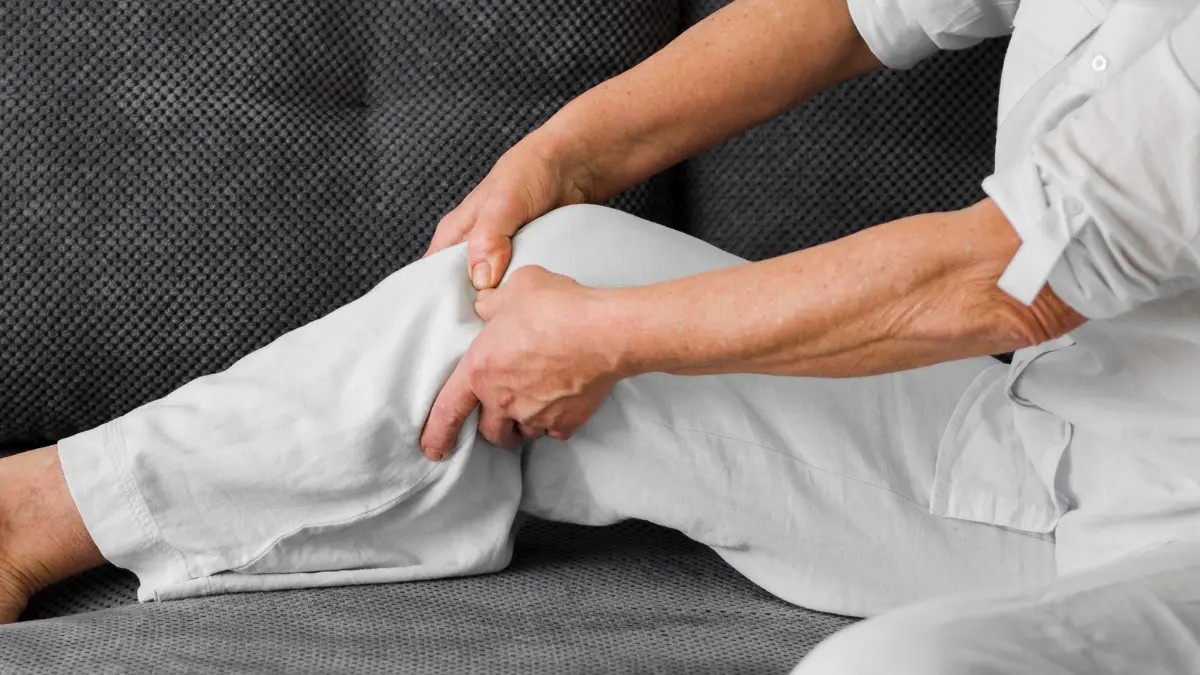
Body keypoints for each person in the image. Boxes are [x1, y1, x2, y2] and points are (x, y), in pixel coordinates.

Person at [2, 0, 1199, 671]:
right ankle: (26, 518)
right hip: (1050, 455)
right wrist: (568, 152)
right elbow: (850, 10)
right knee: (536, 277)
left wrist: (612, 340)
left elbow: (998, 285)